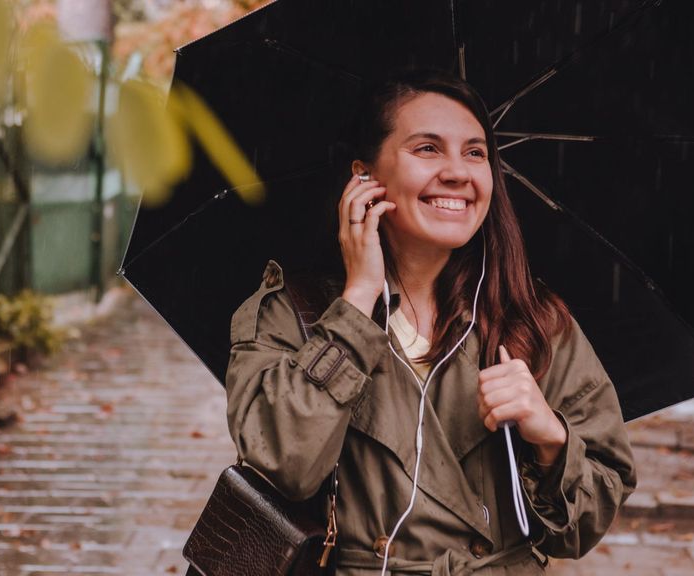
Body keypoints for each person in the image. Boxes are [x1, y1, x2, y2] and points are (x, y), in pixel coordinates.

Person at [223, 69, 636, 575]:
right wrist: (357, 302)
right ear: (364, 177)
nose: (458, 172)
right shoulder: (294, 315)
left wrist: (550, 438)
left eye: (476, 152)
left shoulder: (533, 321)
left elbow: (585, 525)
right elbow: (283, 465)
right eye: (427, 149)